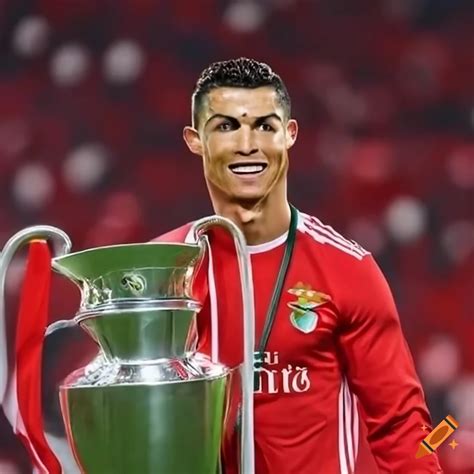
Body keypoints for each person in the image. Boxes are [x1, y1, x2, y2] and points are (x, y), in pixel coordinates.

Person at [156, 58, 442, 474]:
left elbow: (403, 427)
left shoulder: (347, 269)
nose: (247, 144)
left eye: (265, 126)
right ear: (194, 140)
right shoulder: (161, 269)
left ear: (289, 135)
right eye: (226, 127)